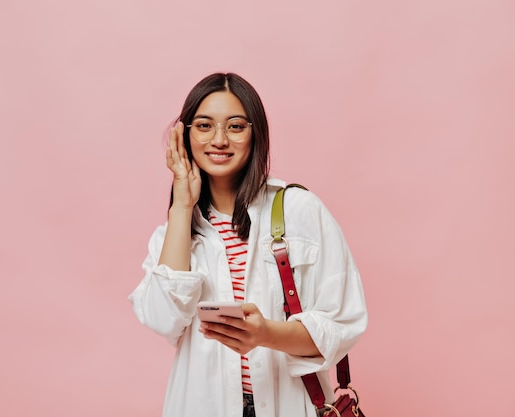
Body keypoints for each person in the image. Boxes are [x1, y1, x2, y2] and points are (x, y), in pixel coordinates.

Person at [128, 72, 368, 417]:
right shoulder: (176, 232)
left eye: (236, 126)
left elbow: (342, 325)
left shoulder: (300, 210)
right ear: (185, 136)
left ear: (256, 134)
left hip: (288, 406)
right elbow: (163, 319)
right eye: (204, 126)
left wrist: (266, 334)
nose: (220, 139)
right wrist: (181, 206)